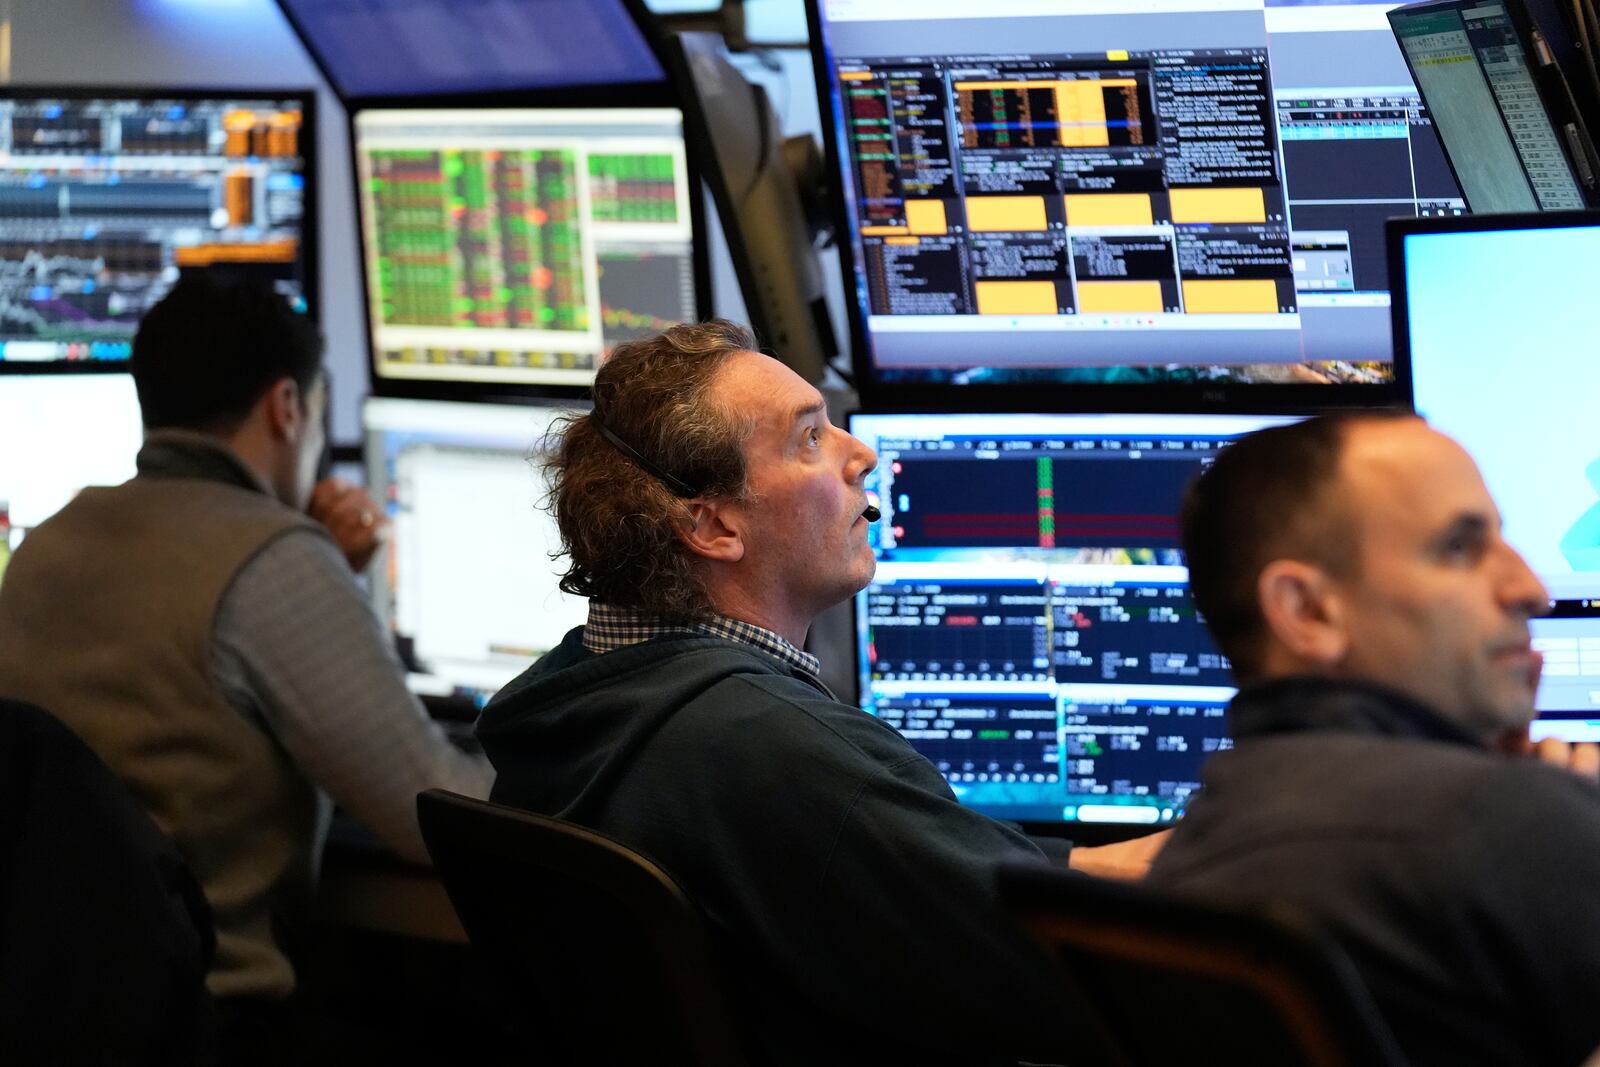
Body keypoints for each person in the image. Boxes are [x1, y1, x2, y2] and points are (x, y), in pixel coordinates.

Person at [476, 319, 1164, 1067]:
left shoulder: (572, 702)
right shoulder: (781, 755)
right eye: (809, 439)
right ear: (710, 523)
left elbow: (950, 875)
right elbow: (1068, 971)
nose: (861, 452)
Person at [0, 276, 493, 1043]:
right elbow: (436, 815)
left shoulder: (46, 543)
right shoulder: (272, 556)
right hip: (210, 1017)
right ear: (286, 407)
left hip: (50, 1013)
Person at [1147, 411, 1600, 1067]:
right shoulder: (1498, 825)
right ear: (1307, 611)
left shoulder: (1194, 851)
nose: (1530, 588)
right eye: (1459, 548)